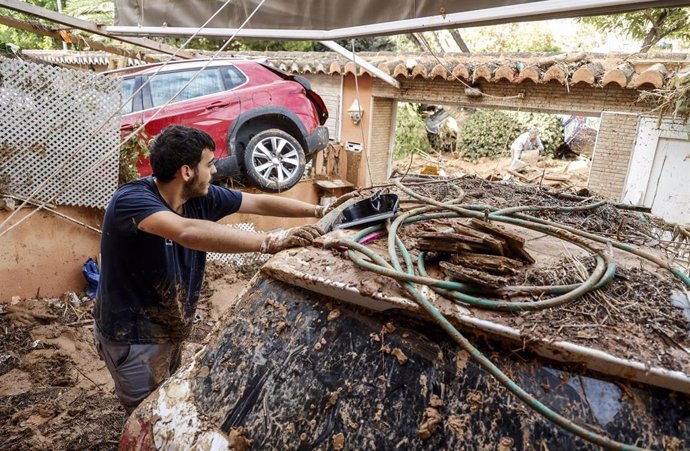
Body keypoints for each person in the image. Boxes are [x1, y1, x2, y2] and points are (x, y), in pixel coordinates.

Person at [93, 125, 332, 415]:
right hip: (132, 337)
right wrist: (270, 241)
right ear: (186, 172)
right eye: (210, 164)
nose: (215, 171)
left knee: (165, 404)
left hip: (169, 327)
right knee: (145, 416)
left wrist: (320, 212)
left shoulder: (198, 199)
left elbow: (257, 201)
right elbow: (185, 231)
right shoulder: (131, 201)